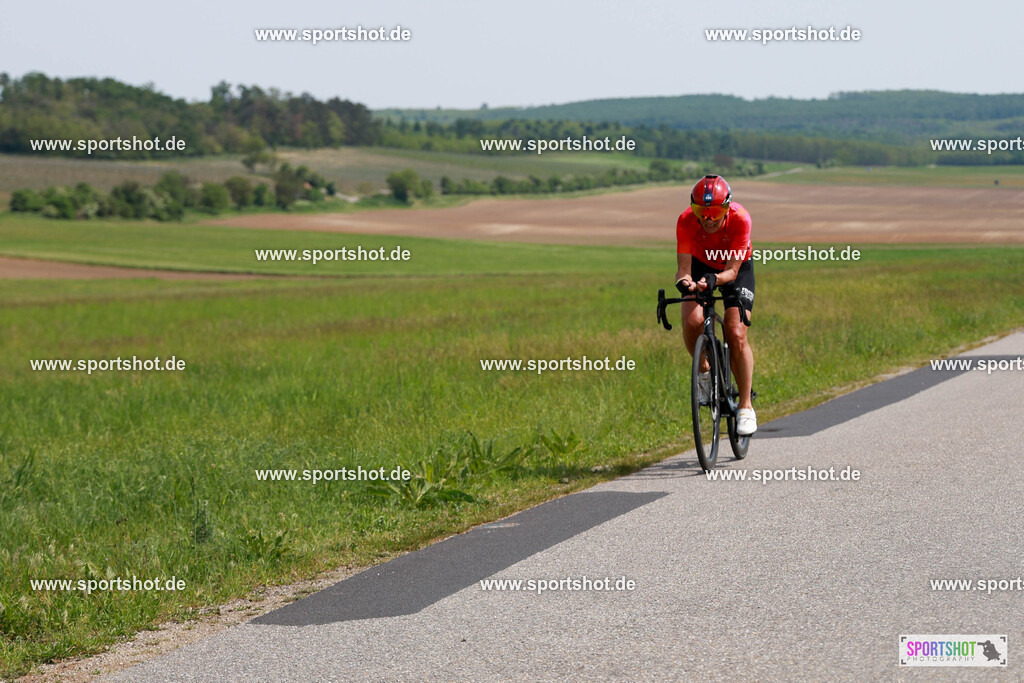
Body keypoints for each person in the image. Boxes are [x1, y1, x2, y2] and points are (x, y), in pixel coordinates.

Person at [674, 175, 757, 435]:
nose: (708, 220)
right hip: (701, 265)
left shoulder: (741, 218)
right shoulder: (686, 221)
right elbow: (683, 270)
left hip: (736, 269)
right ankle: (704, 374)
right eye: (702, 212)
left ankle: (745, 406)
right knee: (692, 322)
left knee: (735, 332)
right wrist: (685, 283)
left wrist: (714, 280)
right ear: (693, 209)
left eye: (716, 212)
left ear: (728, 207)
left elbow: (731, 271)